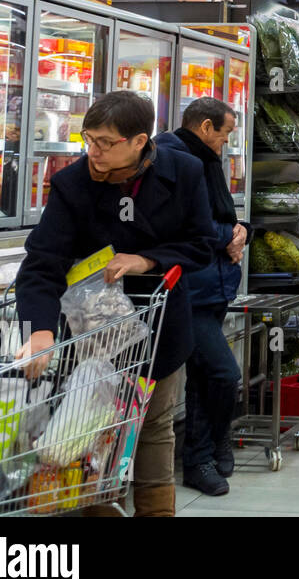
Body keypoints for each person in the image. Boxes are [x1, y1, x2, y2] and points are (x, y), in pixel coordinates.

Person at [14, 90, 215, 517]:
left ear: (139, 140)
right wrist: (40, 332)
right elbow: (42, 263)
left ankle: (155, 511)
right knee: (93, 425)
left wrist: (147, 260)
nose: (95, 151)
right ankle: (101, 507)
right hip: (91, 329)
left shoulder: (186, 172)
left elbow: (201, 245)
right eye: (89, 139)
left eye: (106, 142)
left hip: (159, 321)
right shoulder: (73, 183)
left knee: (155, 425)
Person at [154, 97, 247, 498]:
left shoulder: (205, 160)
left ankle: (202, 453)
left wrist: (240, 230)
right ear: (206, 128)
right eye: (225, 134)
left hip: (215, 283)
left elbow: (219, 215)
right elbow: (183, 220)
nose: (226, 143)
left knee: (203, 379)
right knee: (225, 374)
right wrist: (229, 235)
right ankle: (206, 450)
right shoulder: (172, 159)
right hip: (187, 286)